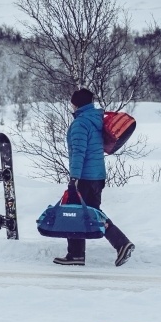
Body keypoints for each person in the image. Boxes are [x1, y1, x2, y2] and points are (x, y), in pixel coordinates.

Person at [54, 88, 135, 267]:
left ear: (77, 104)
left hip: (84, 177)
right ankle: (121, 244)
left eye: (72, 104)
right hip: (97, 176)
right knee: (93, 214)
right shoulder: (95, 120)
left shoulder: (80, 124)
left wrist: (74, 178)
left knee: (74, 214)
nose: (71, 107)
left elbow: (79, 153)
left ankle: (76, 255)